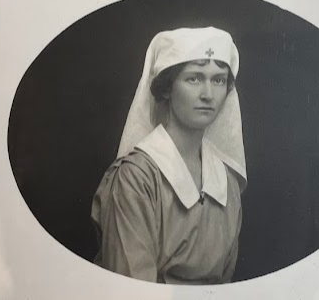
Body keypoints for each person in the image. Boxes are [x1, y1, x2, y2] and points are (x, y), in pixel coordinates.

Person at [91, 27, 247, 284]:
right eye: (194, 79)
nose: (208, 94)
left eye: (218, 79)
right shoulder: (136, 178)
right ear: (166, 89)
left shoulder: (226, 181)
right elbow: (131, 289)